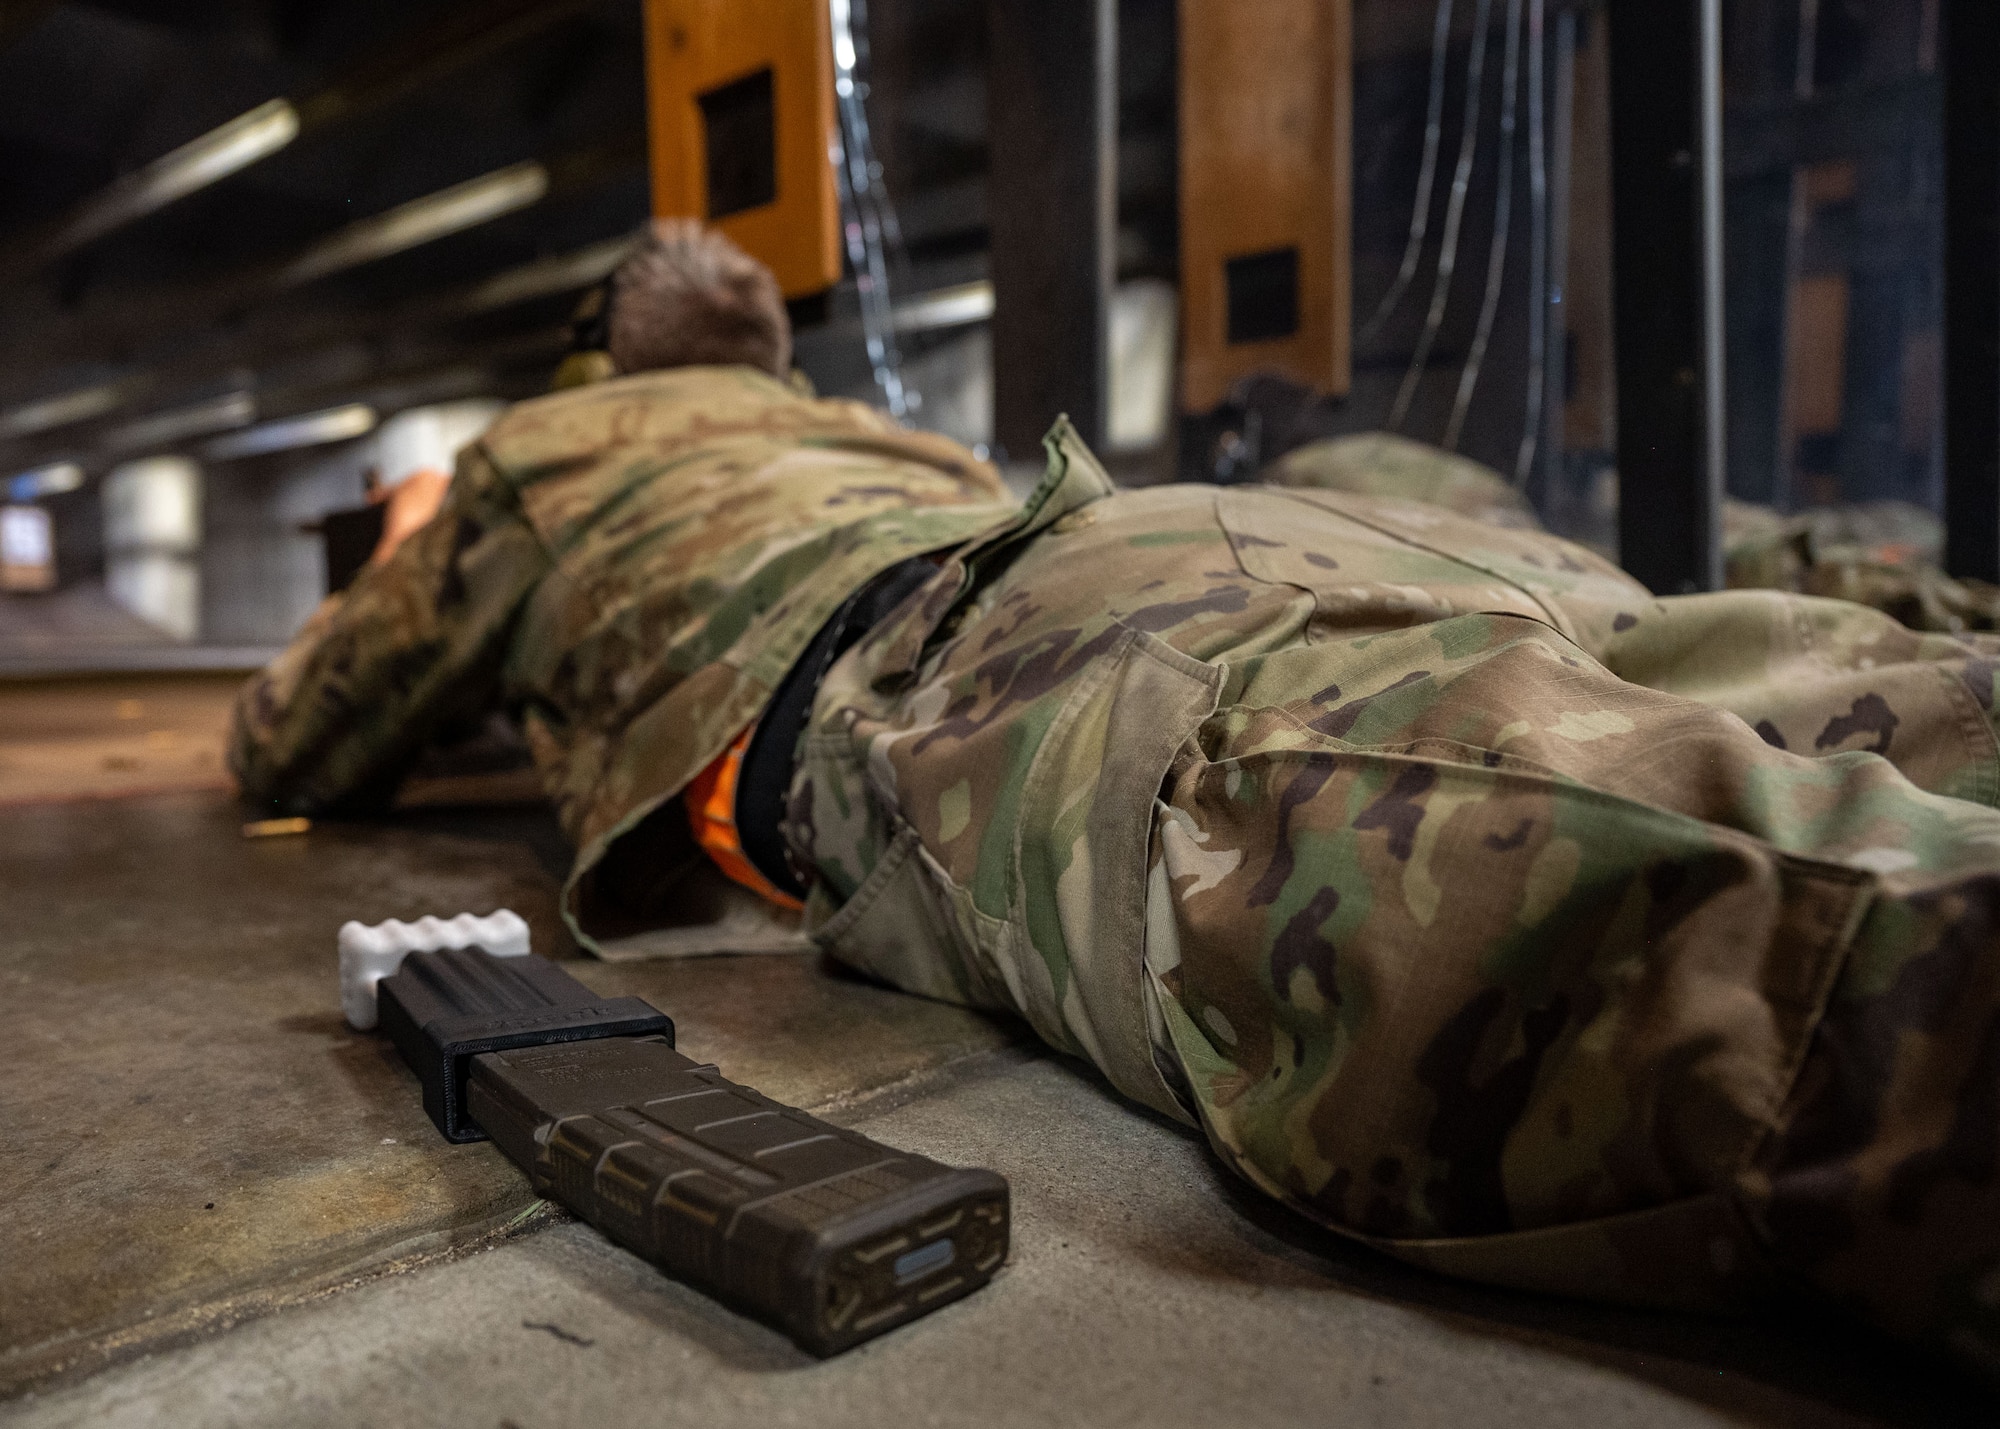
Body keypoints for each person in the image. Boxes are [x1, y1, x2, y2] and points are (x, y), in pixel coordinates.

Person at [235, 219, 2000, 1384]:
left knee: (1734, 937)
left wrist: (414, 542)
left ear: (598, 367)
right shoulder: (878, 434)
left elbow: (293, 741)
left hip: (991, 656)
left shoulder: (541, 457)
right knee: (1912, 708)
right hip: (1214, 537)